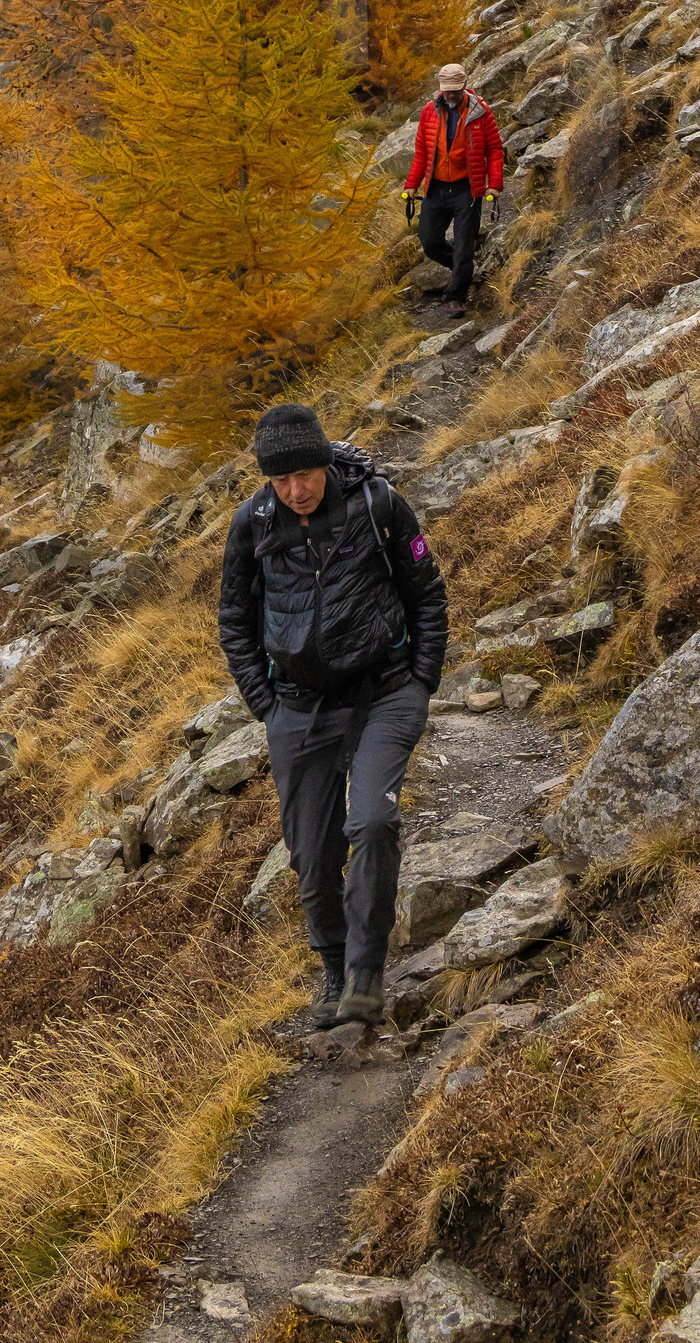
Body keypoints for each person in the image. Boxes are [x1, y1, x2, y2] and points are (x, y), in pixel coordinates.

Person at [218, 402, 449, 1029]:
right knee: (310, 854)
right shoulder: (254, 523)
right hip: (296, 707)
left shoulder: (378, 504)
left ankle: (366, 977)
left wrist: (422, 678)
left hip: (385, 692)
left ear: (325, 461)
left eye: (307, 475)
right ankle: (333, 963)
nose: (296, 490)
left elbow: (425, 589)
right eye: (281, 479)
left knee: (372, 822)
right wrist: (264, 705)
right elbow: (233, 620)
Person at [403, 61, 504, 319]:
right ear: (440, 87)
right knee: (429, 240)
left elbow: (494, 150)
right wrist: (412, 184)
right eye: (446, 90)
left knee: (464, 246)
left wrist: (495, 184)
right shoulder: (429, 112)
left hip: (466, 189)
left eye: (455, 90)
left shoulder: (480, 112)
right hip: (436, 188)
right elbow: (422, 153)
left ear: (465, 86)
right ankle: (464, 268)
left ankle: (456, 295)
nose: (450, 94)